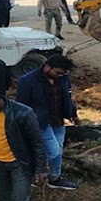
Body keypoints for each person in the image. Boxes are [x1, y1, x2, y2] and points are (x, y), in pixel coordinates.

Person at [16, 54, 79, 190]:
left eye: (63, 74)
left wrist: (73, 113)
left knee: (58, 149)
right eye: (57, 73)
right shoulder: (27, 81)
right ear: (47, 67)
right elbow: (21, 105)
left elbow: (67, 97)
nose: (60, 76)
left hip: (58, 119)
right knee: (53, 151)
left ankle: (50, 177)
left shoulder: (62, 78)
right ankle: (44, 175)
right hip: (39, 122)